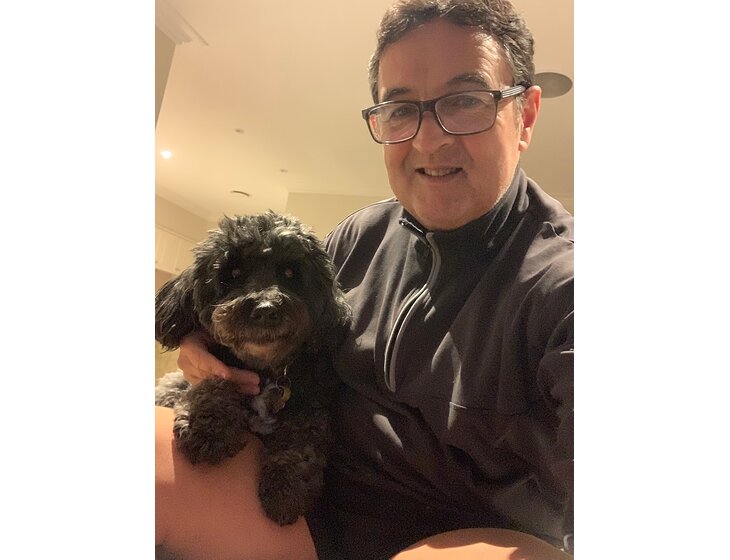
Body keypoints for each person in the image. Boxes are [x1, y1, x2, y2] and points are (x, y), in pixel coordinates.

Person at [155, 0, 574, 558]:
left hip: (462, 537)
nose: (429, 140)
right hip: (305, 507)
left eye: (466, 100)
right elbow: (274, 335)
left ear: (525, 115)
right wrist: (201, 346)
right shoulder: (357, 236)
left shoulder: (568, 287)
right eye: (401, 110)